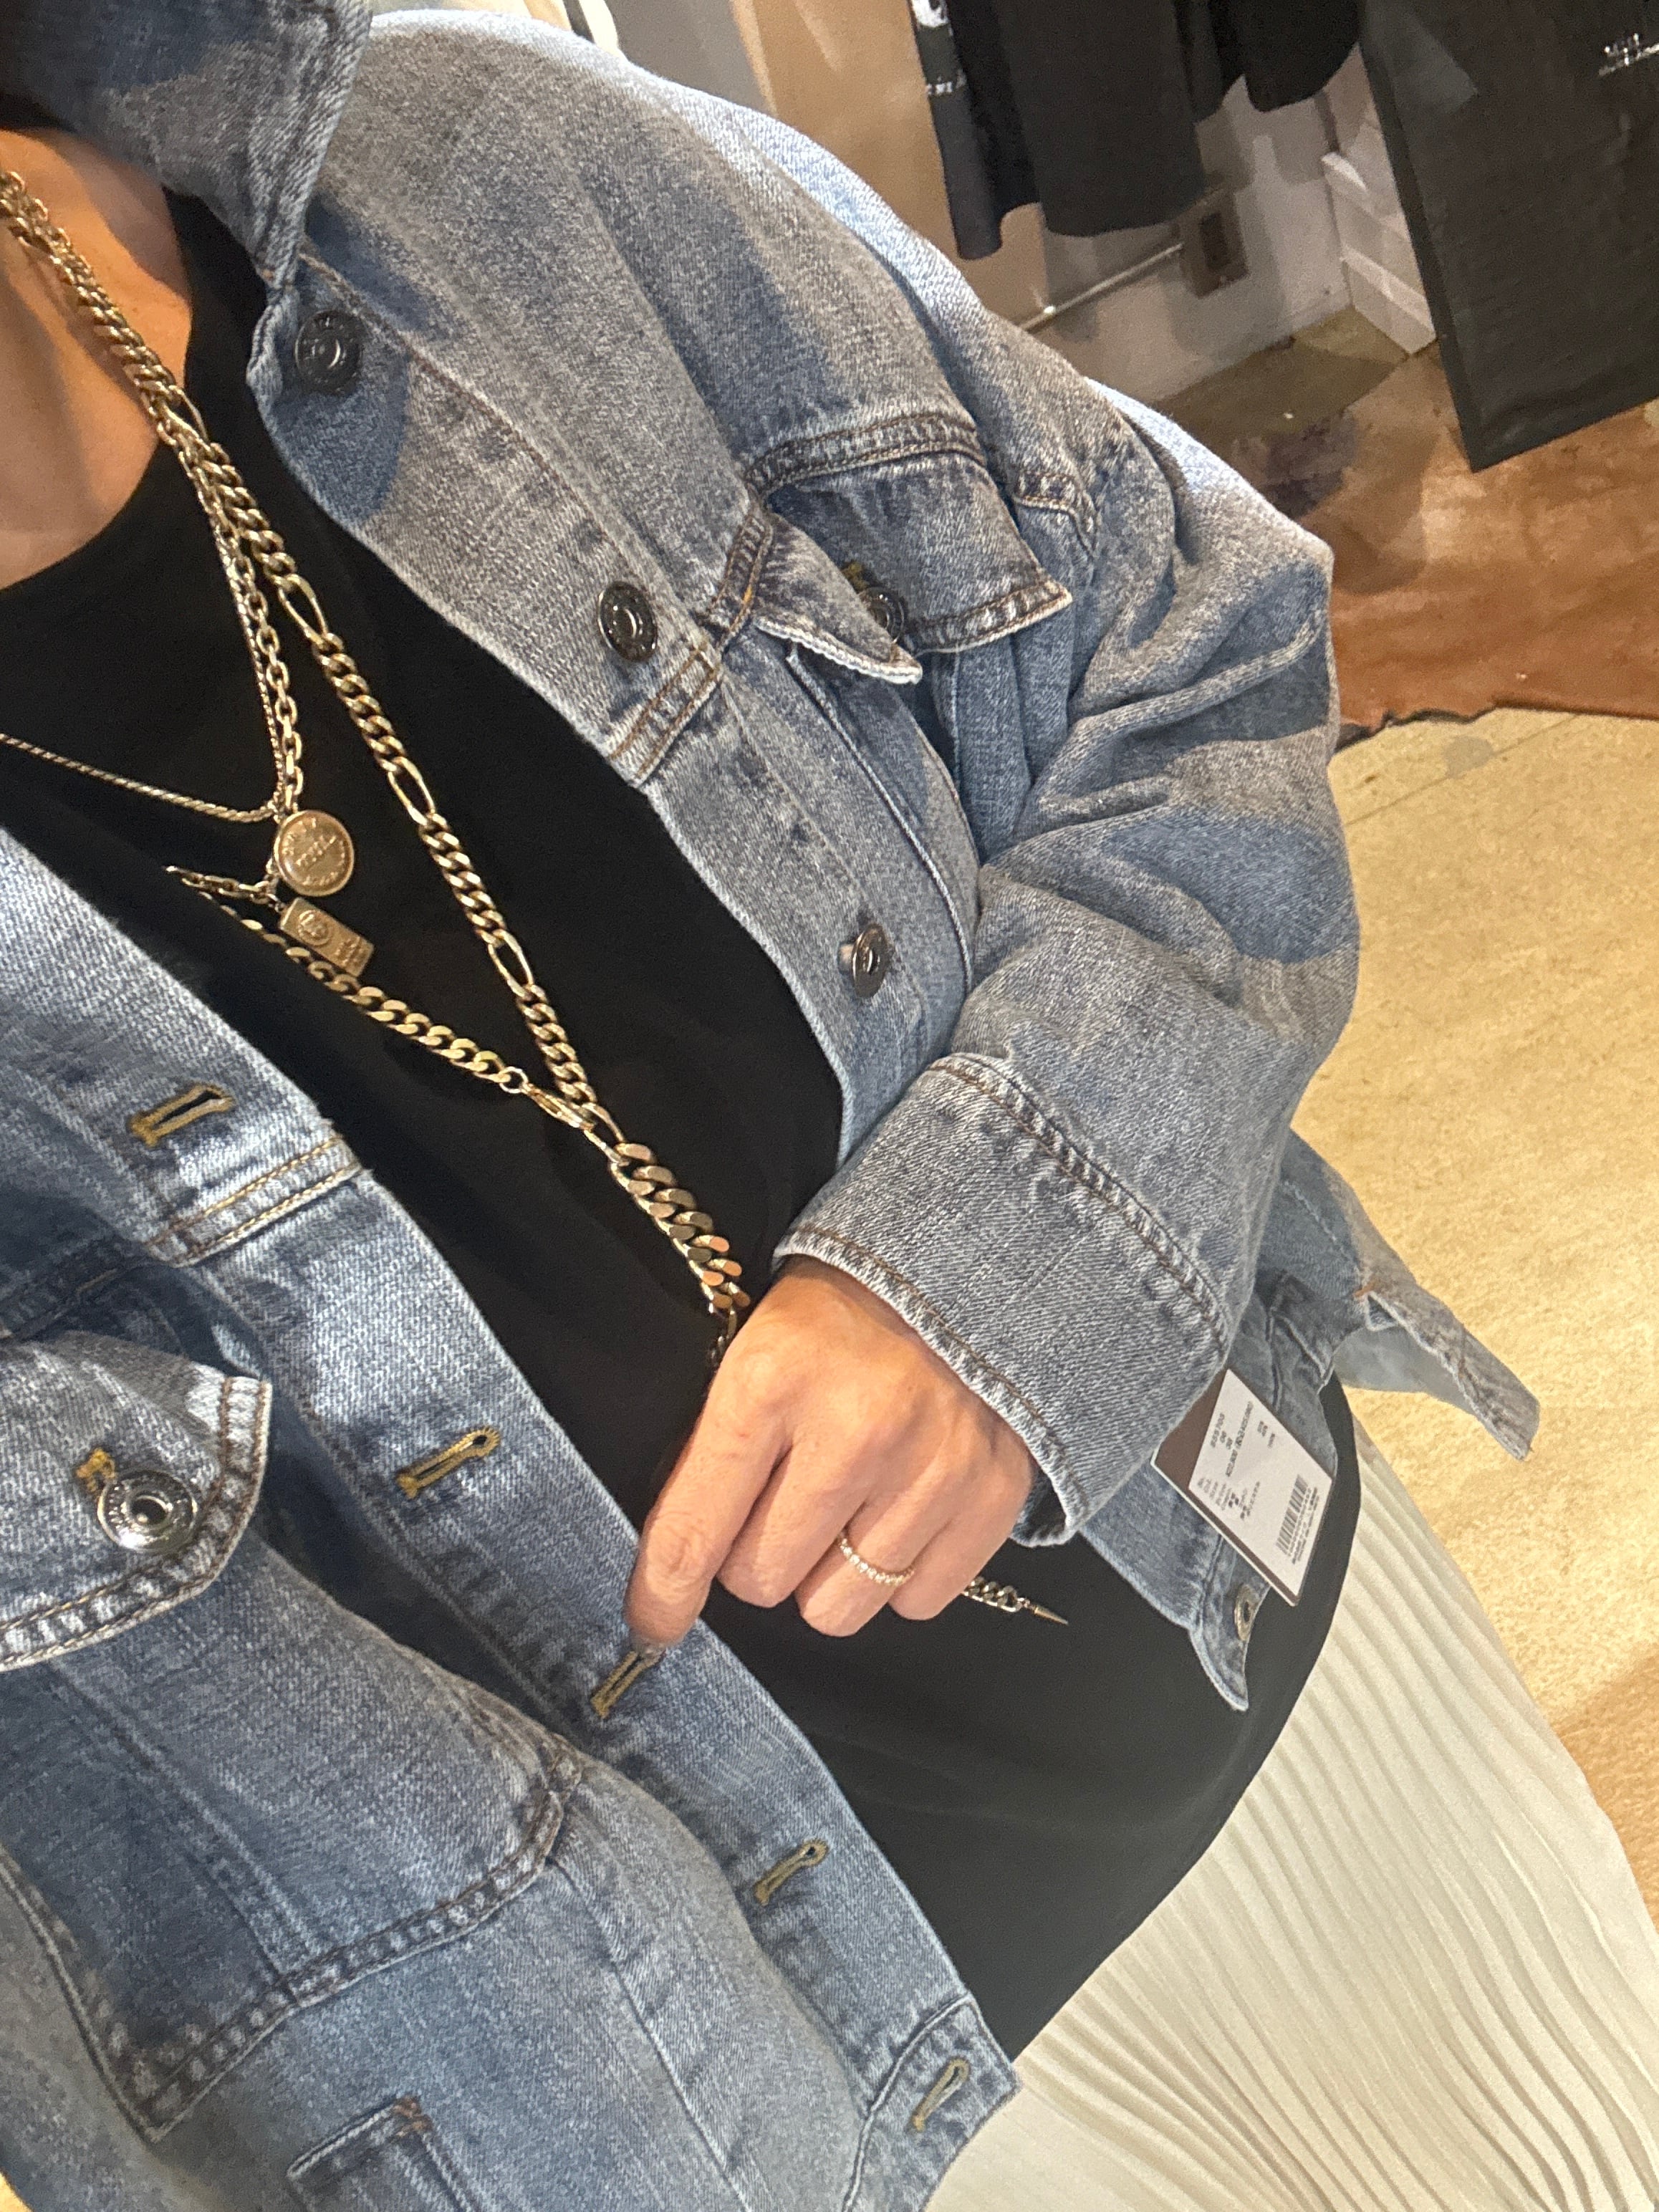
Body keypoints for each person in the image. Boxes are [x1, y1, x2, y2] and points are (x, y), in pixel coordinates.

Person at [0, 6, 1654, 2209]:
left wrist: (998, 1262)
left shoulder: (468, 189)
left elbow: (1183, 629)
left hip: (1254, 1656)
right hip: (725, 2129)